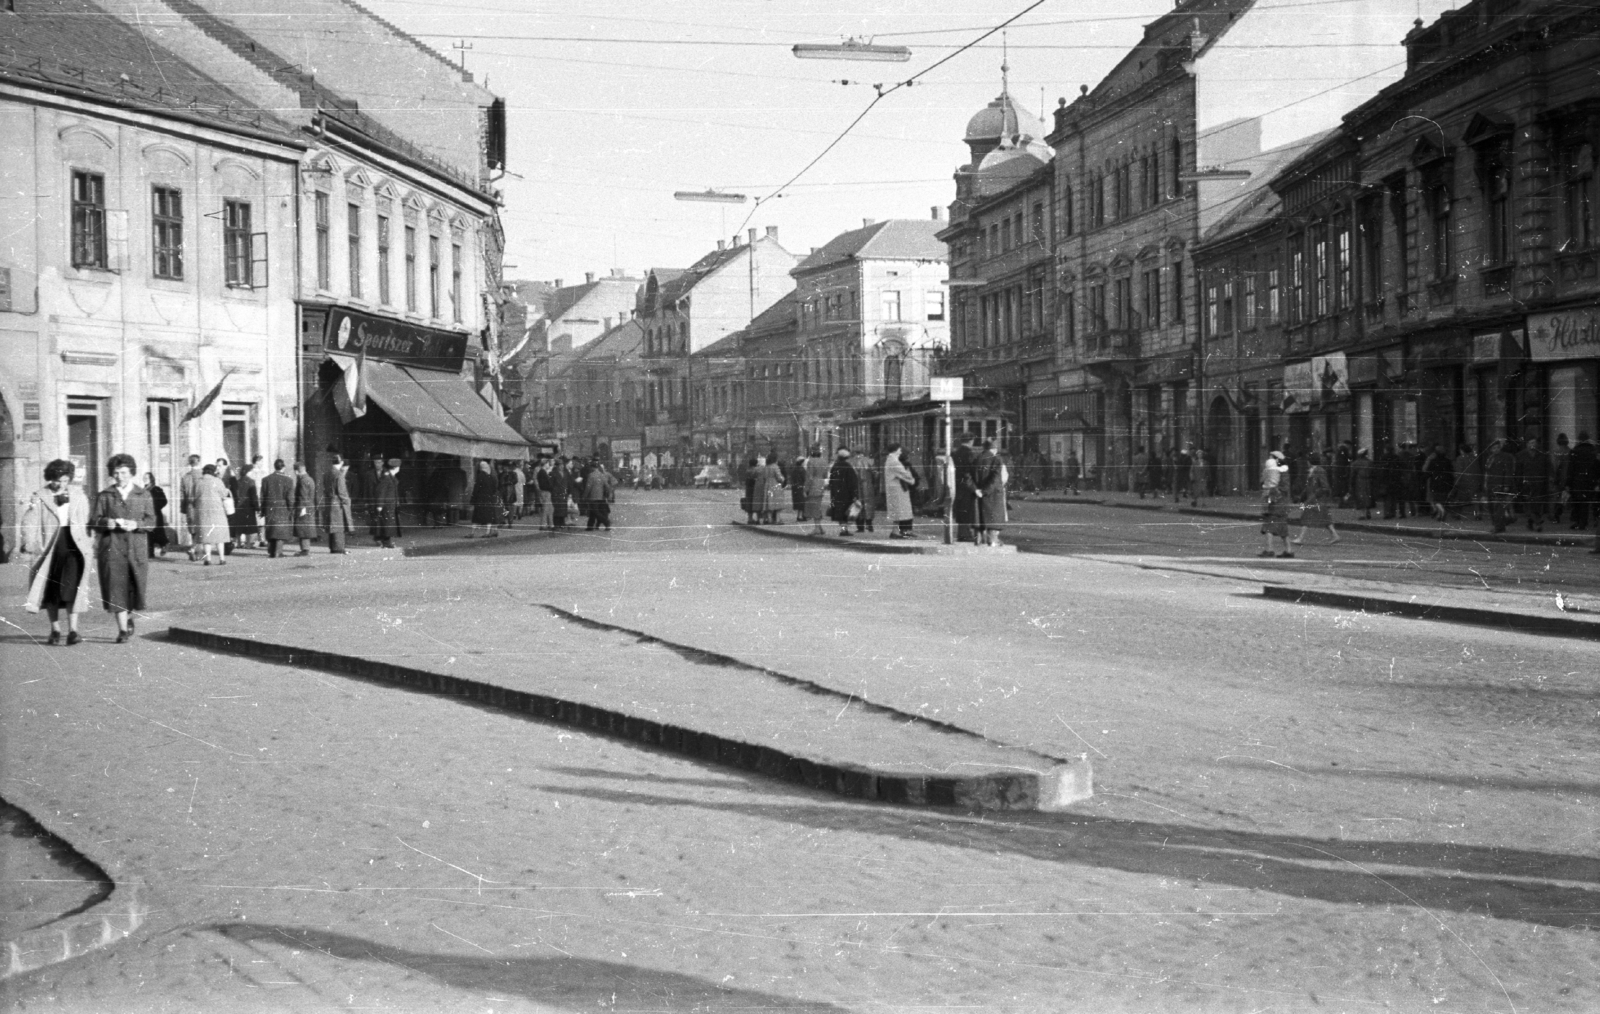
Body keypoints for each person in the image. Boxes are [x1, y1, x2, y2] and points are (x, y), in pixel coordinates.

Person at [20, 459, 96, 645]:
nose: (60, 484)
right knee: (51, 589)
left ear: (69, 479)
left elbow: (85, 520)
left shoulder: (79, 495)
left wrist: (88, 542)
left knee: (73, 587)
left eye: (63, 480)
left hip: (74, 545)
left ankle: (73, 631)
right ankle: (55, 630)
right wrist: (31, 544)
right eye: (56, 480)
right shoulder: (40, 496)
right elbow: (29, 521)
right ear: (50, 478)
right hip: (50, 546)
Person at [91, 453, 155, 643]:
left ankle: (128, 615)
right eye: (117, 473)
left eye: (124, 472)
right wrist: (106, 522)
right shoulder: (106, 495)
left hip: (136, 548)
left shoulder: (143, 494)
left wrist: (136, 524)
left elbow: (151, 522)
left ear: (132, 473)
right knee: (115, 587)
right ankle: (122, 630)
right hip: (112, 548)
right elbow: (94, 520)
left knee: (134, 587)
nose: (120, 476)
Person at [1292, 452, 1340, 546]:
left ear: (1310, 461)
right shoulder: (1313, 470)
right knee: (1325, 518)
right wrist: (1302, 497)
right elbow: (1308, 487)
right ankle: (1335, 535)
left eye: (1308, 461)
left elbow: (1324, 486)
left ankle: (1300, 538)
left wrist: (1315, 495)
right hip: (1315, 499)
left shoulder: (1319, 470)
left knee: (1306, 516)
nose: (1307, 463)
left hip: (1317, 499)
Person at [972, 439, 1009, 547]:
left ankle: (981, 539)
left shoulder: (976, 458)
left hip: (978, 492)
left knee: (981, 517)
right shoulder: (996, 459)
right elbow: (996, 479)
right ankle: (993, 540)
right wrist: (985, 491)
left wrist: (977, 490)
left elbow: (969, 476)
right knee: (994, 517)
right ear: (995, 449)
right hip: (993, 494)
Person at [193, 463, 231, 565]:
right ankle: (222, 558)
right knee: (219, 537)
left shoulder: (198, 482)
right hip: (217, 511)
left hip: (203, 512)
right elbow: (223, 494)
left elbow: (194, 496)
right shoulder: (218, 481)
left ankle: (208, 559)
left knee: (206, 538)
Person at [259, 459, 296, 558]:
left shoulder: (266, 479)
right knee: (280, 530)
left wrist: (262, 510)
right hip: (282, 508)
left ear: (274, 467)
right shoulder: (288, 480)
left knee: (271, 528)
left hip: (269, 507)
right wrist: (291, 508)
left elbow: (262, 497)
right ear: (283, 467)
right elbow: (290, 497)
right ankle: (278, 552)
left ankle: (271, 551)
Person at [1259, 450, 1292, 557]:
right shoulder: (1278, 471)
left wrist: (1272, 491)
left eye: (1271, 457)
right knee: (1282, 526)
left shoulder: (1281, 473)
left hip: (1277, 502)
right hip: (1280, 503)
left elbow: (1284, 488)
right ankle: (1288, 550)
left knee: (1269, 524)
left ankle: (1269, 550)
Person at [1516, 436, 1552, 533]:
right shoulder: (1521, 455)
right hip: (1526, 484)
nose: (1533, 445)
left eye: (1534, 443)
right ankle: (1538, 522)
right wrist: (1518, 484)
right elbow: (1518, 471)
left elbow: (1547, 468)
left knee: (1537, 504)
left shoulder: (1542, 455)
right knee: (1530, 505)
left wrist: (1549, 480)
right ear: (1527, 444)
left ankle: (1531, 522)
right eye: (1530, 443)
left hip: (1539, 484)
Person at [321, 453, 354, 553]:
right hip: (337, 503)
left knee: (332, 525)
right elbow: (342, 491)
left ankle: (333, 547)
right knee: (339, 526)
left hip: (329, 501)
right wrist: (347, 501)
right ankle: (339, 548)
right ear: (342, 462)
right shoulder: (339, 474)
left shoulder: (327, 473)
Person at [1483, 439, 1518, 534]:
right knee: (1491, 507)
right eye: (1493, 448)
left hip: (1500, 485)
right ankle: (1498, 525)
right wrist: (1485, 483)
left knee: (1498, 507)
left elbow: (1508, 472)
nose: (1496, 450)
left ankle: (1498, 526)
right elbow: (1487, 472)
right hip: (1491, 485)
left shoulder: (1506, 457)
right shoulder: (1490, 458)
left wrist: (1506, 485)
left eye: (1497, 447)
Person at [883, 443, 916, 539]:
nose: (901, 451)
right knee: (899, 511)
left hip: (895, 489)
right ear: (896, 450)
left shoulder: (891, 460)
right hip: (897, 489)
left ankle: (895, 531)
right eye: (899, 449)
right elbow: (904, 473)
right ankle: (895, 532)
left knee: (898, 511)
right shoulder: (894, 461)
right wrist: (911, 479)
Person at [230, 456, 261, 552]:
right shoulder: (251, 482)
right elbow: (254, 496)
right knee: (248, 527)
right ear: (249, 472)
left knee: (239, 525)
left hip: (238, 507)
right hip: (248, 507)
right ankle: (248, 544)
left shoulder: (237, 481)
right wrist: (257, 507)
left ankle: (238, 543)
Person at [827, 448, 860, 537]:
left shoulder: (835, 466)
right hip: (846, 493)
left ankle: (843, 529)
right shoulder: (848, 467)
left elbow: (831, 481)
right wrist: (855, 494)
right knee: (846, 512)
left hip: (836, 493)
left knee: (839, 512)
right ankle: (844, 530)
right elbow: (852, 482)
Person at [1569, 431, 1598, 531]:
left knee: (1577, 502)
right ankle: (1583, 523)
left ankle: (1577, 521)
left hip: (1577, 481)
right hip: (1589, 481)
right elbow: (1596, 467)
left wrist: (1568, 483)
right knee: (1585, 503)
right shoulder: (1593, 451)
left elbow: (1571, 468)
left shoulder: (1574, 451)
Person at [178, 453, 204, 560]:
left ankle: (194, 548)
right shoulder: (203, 476)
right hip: (202, 506)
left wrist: (183, 508)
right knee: (202, 529)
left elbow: (182, 495)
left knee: (193, 529)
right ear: (199, 462)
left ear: (190, 463)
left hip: (190, 506)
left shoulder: (185, 477)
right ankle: (197, 550)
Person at [291, 461, 319, 555]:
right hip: (309, 507)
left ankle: (305, 549)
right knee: (306, 528)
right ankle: (305, 548)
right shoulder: (310, 479)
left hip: (303, 507)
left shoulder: (302, 481)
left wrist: (302, 509)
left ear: (296, 471)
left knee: (302, 528)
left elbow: (303, 496)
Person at [373, 459, 402, 549]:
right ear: (396, 468)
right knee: (387, 523)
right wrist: (380, 505)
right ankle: (386, 542)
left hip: (390, 504)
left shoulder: (390, 476)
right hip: (386, 505)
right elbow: (381, 491)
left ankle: (384, 540)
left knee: (388, 522)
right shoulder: (386, 477)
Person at [1422, 443, 1454, 522]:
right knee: (1443, 499)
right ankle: (1440, 515)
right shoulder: (1448, 461)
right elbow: (1451, 472)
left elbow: (1428, 472)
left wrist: (1425, 478)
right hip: (1446, 482)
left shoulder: (1433, 461)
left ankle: (1442, 511)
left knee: (1435, 499)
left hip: (1435, 482)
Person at [468, 459, 500, 537]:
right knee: (489, 516)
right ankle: (487, 532)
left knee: (476, 516)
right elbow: (495, 488)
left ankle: (472, 532)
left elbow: (476, 488)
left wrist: (473, 499)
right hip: (489, 498)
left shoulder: (480, 476)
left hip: (480, 499)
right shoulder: (491, 477)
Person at [803, 445, 830, 537]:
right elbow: (826, 474)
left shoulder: (811, 462)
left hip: (813, 485)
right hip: (821, 484)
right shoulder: (824, 461)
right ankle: (820, 527)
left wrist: (805, 489)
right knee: (817, 505)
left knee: (814, 507)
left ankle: (817, 528)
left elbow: (809, 477)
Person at [143, 471, 170, 558]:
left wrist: (155, 507)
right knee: (148, 533)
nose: (145, 479)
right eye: (144, 478)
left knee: (158, 533)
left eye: (146, 478)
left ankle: (164, 545)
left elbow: (164, 501)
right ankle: (150, 553)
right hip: (147, 515)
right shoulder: (143, 490)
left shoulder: (157, 489)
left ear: (151, 479)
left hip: (156, 515)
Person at [584, 461, 615, 531]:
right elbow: (607, 486)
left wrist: (584, 496)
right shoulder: (602, 475)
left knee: (595, 511)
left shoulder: (591, 475)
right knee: (593, 511)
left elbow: (588, 487)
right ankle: (590, 526)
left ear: (592, 467)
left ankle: (606, 522)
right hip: (601, 497)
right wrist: (609, 494)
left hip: (593, 497)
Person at [852, 451, 877, 534]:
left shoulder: (853, 461)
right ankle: (869, 524)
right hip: (868, 485)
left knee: (857, 504)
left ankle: (860, 527)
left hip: (857, 486)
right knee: (869, 505)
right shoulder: (869, 460)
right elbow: (875, 474)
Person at [1552, 433, 1572, 525]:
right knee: (1564, 497)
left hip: (1558, 477)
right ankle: (1559, 512)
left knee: (1557, 496)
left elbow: (1555, 466)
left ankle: (1556, 514)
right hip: (1567, 476)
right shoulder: (1569, 451)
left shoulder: (1556, 451)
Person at [1350, 448, 1374, 520]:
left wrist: (1351, 483)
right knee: (1368, 496)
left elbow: (1352, 475)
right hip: (1369, 481)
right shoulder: (1370, 462)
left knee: (1360, 497)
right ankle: (1368, 511)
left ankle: (1362, 514)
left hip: (1359, 481)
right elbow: (1374, 472)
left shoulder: (1355, 463)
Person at [549, 457, 571, 529]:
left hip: (564, 493)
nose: (561, 466)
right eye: (560, 465)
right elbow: (551, 484)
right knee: (557, 509)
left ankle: (562, 522)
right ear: (557, 466)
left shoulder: (566, 473)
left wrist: (568, 492)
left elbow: (568, 483)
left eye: (562, 465)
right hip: (556, 493)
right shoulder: (553, 473)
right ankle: (557, 523)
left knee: (563, 508)